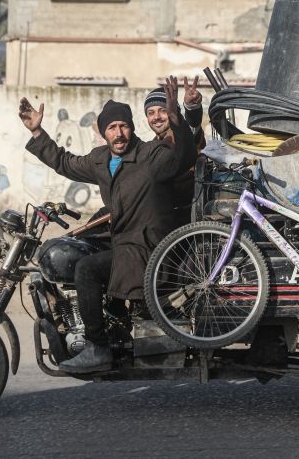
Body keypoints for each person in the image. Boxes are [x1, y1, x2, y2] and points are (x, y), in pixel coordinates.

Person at [19, 77, 196, 373]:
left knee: (87, 269)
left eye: (124, 126)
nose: (119, 133)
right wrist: (37, 131)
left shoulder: (151, 156)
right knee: (81, 248)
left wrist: (176, 116)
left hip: (146, 247)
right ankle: (111, 322)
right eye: (112, 127)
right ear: (104, 132)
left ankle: (97, 347)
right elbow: (65, 162)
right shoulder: (100, 159)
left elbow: (183, 156)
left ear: (132, 128)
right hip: (123, 242)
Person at [143, 77, 206, 227]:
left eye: (163, 111)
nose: (156, 117)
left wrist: (192, 108)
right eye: (151, 113)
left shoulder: (181, 134)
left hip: (182, 215)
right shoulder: (153, 144)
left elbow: (192, 128)